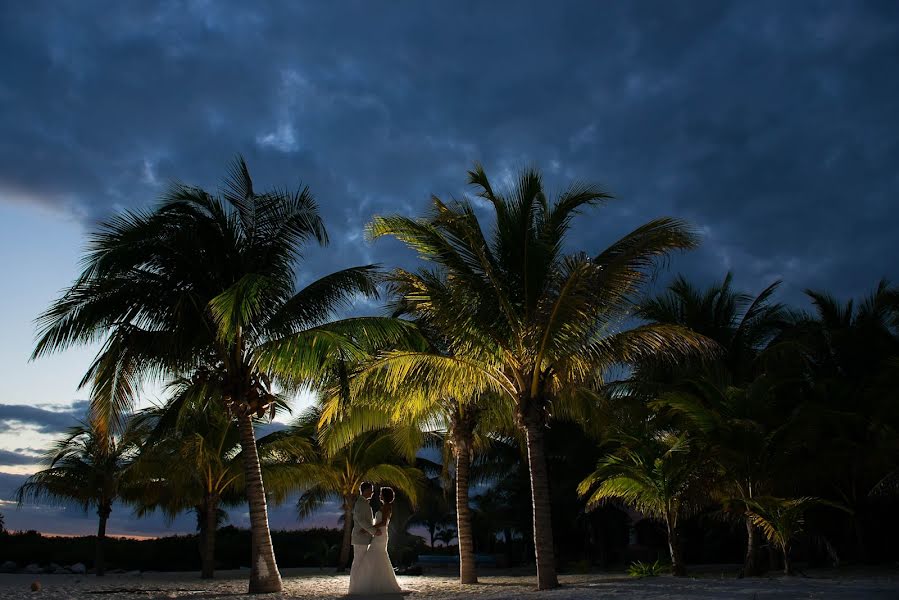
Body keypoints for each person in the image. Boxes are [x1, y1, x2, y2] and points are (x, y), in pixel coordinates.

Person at [349, 486, 403, 595]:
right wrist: (369, 530)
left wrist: (370, 530)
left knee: (375, 557)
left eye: (381, 493)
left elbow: (383, 522)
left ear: (385, 496)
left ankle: (368, 585)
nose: (377, 494)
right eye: (371, 491)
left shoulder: (387, 507)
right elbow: (364, 520)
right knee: (374, 558)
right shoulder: (366, 504)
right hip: (377, 534)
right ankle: (364, 585)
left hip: (380, 534)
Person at [348, 482, 381, 593]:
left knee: (361, 562)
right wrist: (373, 531)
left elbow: (365, 521)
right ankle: (353, 588)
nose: (372, 492)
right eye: (371, 489)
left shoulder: (364, 503)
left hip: (363, 536)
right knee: (358, 562)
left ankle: (358, 587)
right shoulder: (361, 503)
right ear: (366, 490)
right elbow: (361, 520)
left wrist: (370, 530)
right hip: (360, 537)